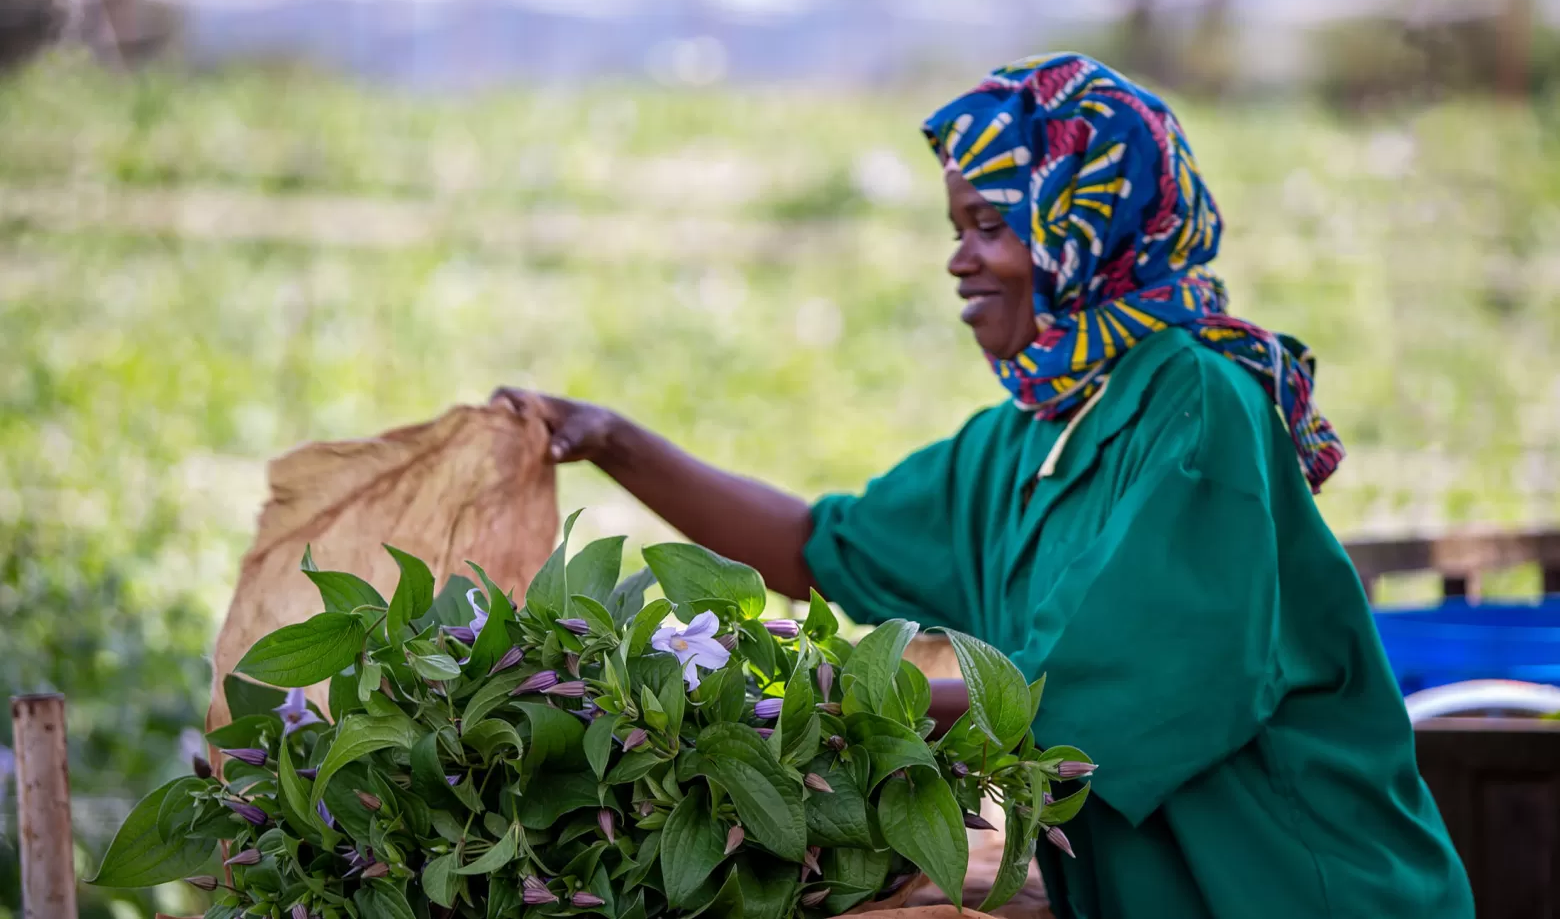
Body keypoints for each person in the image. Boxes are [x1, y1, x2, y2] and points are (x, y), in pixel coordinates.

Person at [493, 53, 1473, 919]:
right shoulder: (1027, 439)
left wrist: (814, 708)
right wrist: (613, 441)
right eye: (957, 227)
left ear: (1082, 220)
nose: (960, 260)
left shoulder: (1199, 403)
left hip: (1299, 888)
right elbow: (813, 546)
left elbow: (1127, 677)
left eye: (991, 224)